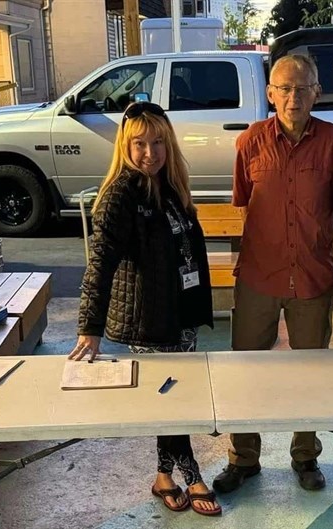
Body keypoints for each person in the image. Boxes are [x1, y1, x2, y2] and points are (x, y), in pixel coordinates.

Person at [68, 101, 221, 517]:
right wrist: (89, 327)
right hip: (148, 319)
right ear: (125, 145)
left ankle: (163, 477)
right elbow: (99, 263)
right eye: (139, 144)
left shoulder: (170, 186)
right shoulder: (121, 193)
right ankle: (192, 475)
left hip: (179, 315)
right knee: (174, 402)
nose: (149, 153)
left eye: (157, 142)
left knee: (170, 398)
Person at [212, 55, 333, 494]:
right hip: (258, 277)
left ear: (317, 92)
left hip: (313, 279)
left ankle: (306, 457)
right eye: (284, 89)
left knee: (310, 374)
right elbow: (243, 201)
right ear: (270, 93)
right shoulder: (250, 142)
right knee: (246, 370)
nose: (293, 97)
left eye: (302, 88)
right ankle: (243, 458)